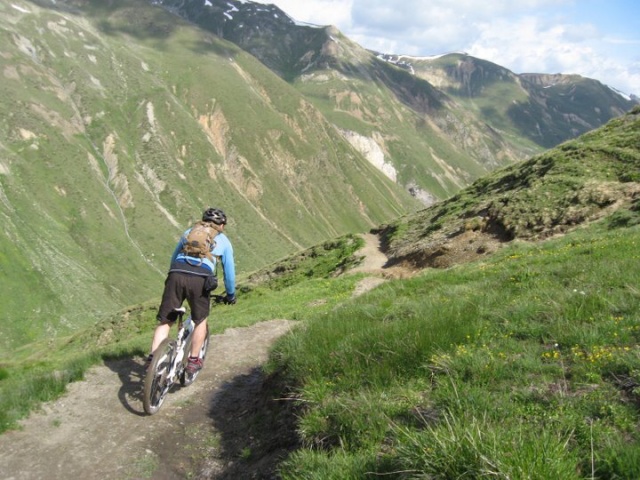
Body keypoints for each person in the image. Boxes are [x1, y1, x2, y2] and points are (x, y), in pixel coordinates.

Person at [148, 207, 236, 374]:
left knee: (166, 321)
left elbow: (174, 258)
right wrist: (231, 295)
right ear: (222, 225)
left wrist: (175, 277)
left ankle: (153, 360)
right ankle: (194, 360)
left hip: (176, 274)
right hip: (200, 278)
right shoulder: (223, 240)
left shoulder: (189, 232)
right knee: (200, 320)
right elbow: (229, 272)